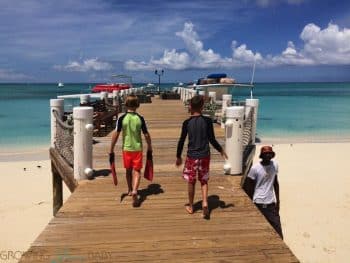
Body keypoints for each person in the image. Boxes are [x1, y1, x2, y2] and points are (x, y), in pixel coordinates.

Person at [176, 95, 227, 219]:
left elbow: (181, 140)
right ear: (202, 107)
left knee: (191, 181)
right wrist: (221, 150)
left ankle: (192, 206)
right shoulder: (208, 121)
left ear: (190, 106)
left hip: (192, 156)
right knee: (204, 180)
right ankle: (205, 202)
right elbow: (212, 139)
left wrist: (178, 156)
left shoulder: (187, 123)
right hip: (205, 156)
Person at [109, 94, 152, 207]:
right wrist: (150, 146)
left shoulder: (122, 118)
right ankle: (135, 190)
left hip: (126, 149)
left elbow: (116, 134)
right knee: (137, 171)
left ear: (125, 104)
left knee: (128, 171)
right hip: (137, 149)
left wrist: (111, 149)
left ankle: (129, 189)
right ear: (137, 105)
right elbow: (146, 135)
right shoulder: (140, 118)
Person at [244, 146, 283, 239]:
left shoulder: (275, 165)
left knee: (277, 227)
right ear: (262, 156)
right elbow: (249, 186)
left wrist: (278, 201)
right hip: (258, 203)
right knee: (259, 229)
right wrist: (250, 204)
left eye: (270, 153)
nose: (268, 155)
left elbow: (275, 183)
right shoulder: (255, 168)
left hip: (271, 203)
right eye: (266, 154)